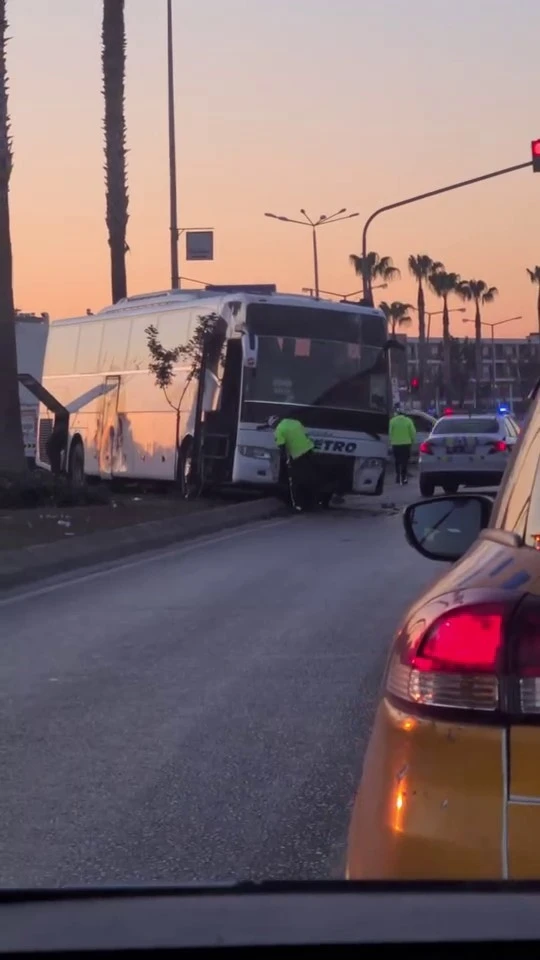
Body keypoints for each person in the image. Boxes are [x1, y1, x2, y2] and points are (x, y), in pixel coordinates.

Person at [267, 415, 320, 511]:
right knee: (311, 478)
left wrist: (286, 462)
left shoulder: (279, 430)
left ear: (273, 425)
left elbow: (282, 447)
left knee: (296, 481)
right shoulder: (295, 422)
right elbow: (305, 435)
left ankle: (297, 505)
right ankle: (314, 502)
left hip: (298, 456)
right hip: (310, 452)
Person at [389, 404, 416, 485]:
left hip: (396, 444)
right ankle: (404, 477)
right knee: (405, 461)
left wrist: (391, 441)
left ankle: (398, 477)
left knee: (397, 461)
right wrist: (412, 441)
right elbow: (413, 433)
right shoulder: (408, 421)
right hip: (406, 444)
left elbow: (390, 433)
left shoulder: (392, 421)